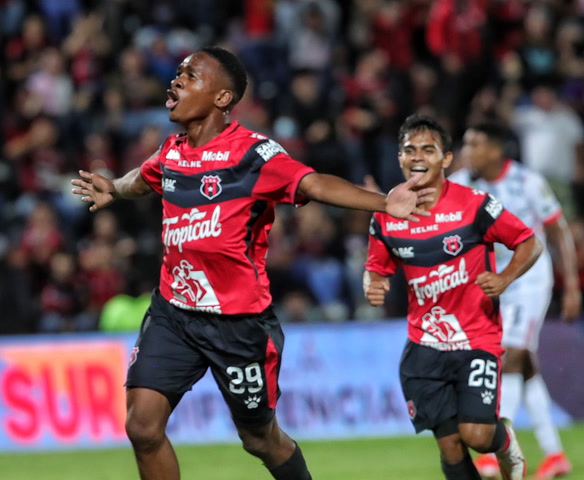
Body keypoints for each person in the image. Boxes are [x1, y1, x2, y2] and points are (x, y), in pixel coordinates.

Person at [71, 46, 433, 480]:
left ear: (222, 98)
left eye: (190, 75)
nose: (177, 80)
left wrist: (382, 203)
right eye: (179, 73)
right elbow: (142, 178)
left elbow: (313, 183)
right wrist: (114, 186)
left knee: (259, 438)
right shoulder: (171, 152)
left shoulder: (252, 155)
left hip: (238, 323)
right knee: (142, 426)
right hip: (174, 312)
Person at [363, 114, 543, 480]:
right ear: (399, 158)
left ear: (446, 159)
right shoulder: (386, 215)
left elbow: (529, 242)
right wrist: (373, 282)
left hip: (476, 338)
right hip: (424, 345)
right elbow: (376, 266)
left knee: (476, 435)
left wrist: (506, 278)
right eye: (410, 150)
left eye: (428, 149)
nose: (418, 157)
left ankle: (504, 439)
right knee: (449, 446)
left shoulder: (475, 205)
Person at [449, 122, 581, 479]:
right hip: (490, 283)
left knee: (509, 356)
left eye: (474, 144)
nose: (467, 151)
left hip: (530, 279)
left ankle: (493, 451)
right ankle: (554, 454)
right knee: (525, 366)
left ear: (495, 150)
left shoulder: (528, 182)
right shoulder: (461, 183)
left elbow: (558, 231)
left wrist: (571, 286)